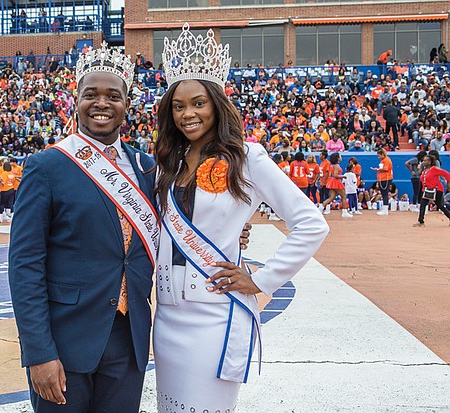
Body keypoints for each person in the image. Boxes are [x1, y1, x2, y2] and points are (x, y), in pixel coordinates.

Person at [152, 24, 329, 412]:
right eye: (178, 106)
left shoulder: (248, 158)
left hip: (214, 315)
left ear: (216, 104)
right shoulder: (170, 161)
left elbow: (311, 223)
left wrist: (261, 280)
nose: (187, 114)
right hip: (166, 317)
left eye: (198, 103)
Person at [8, 42, 158, 412]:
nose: (102, 104)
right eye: (91, 94)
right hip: (65, 342)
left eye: (113, 95)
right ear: (75, 100)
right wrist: (38, 353)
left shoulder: (148, 169)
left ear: (127, 103)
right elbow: (25, 264)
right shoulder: (47, 166)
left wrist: (234, 232)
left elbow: (180, 225)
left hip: (129, 338)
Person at [414, 154, 450, 227]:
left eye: (425, 161)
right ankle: (421, 221)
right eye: (423, 161)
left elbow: (447, 174)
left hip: (437, 190)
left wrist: (448, 183)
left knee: (439, 205)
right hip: (427, 190)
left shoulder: (434, 169)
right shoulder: (424, 171)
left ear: (430, 162)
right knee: (423, 205)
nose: (424, 162)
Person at [319, 153, 352, 218]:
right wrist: (343, 176)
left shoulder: (332, 165)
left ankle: (320, 208)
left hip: (332, 181)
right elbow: (335, 175)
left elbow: (332, 175)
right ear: (337, 158)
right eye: (340, 156)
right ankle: (344, 212)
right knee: (344, 196)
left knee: (332, 197)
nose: (341, 157)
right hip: (336, 182)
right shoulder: (337, 166)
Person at [371, 148, 393, 216]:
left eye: (379, 156)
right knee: (383, 194)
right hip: (382, 178)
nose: (379, 157)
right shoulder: (383, 160)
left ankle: (385, 210)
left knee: (385, 194)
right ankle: (384, 208)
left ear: (382, 154)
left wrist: (377, 169)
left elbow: (385, 169)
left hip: (385, 178)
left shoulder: (386, 160)